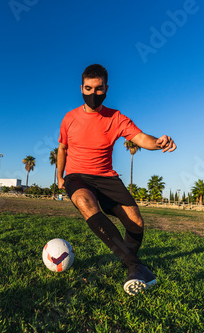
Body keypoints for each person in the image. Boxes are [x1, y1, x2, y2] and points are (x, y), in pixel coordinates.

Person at [57, 64, 176, 296]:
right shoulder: (69, 118)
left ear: (107, 88)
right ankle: (135, 267)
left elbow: (141, 137)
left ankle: (131, 265)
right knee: (83, 201)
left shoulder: (116, 118)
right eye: (88, 88)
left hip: (106, 177)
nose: (93, 94)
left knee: (136, 222)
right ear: (81, 88)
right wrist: (60, 177)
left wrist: (158, 142)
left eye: (99, 89)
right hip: (77, 175)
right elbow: (62, 149)